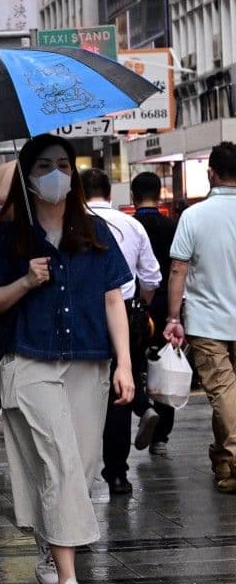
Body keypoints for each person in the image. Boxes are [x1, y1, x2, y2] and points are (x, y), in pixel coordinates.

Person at [0, 135, 134, 584]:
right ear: (27, 176)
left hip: (89, 362)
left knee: (81, 470)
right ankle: (69, 583)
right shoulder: (9, 238)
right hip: (29, 363)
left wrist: (125, 364)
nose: (55, 173)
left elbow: (114, 299)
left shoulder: (95, 232)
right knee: (62, 462)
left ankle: (51, 550)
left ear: (76, 172)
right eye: (44, 165)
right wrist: (26, 280)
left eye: (63, 164)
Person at [81, 168, 162, 495]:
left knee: (81, 391)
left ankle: (81, 475)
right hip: (124, 312)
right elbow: (151, 278)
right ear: (110, 193)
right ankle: (117, 473)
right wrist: (141, 307)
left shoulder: (72, 223)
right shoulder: (132, 225)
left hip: (83, 315)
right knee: (120, 391)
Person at [164, 141, 236, 494]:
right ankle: (225, 463)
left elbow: (178, 268)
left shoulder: (193, 216)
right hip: (213, 321)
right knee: (230, 396)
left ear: (211, 173)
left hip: (206, 322)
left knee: (224, 393)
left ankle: (230, 459)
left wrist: (172, 317)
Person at [131, 172, 178, 455]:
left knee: (131, 363)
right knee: (165, 367)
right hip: (164, 305)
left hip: (133, 307)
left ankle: (142, 407)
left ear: (133, 197)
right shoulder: (171, 227)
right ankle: (161, 437)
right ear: (160, 194)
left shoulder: (129, 226)